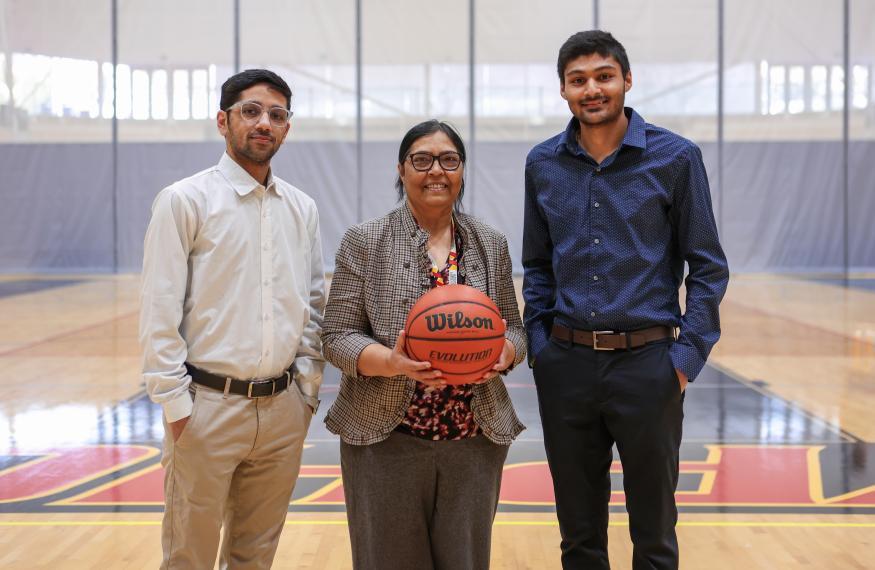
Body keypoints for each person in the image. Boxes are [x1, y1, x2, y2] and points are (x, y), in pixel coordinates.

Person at [522, 31, 729, 570]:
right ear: (563, 90)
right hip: (566, 365)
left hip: (649, 366)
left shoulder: (676, 157)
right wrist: (542, 350)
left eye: (603, 76)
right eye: (578, 80)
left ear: (626, 80)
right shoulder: (543, 163)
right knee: (578, 534)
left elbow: (707, 265)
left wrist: (685, 360)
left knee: (654, 533)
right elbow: (538, 267)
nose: (592, 89)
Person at [139, 68, 325, 569]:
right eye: (251, 111)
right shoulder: (184, 201)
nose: (264, 122)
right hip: (205, 410)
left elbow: (312, 304)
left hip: (282, 408)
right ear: (223, 121)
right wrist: (177, 407)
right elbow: (159, 311)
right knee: (189, 557)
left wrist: (305, 394)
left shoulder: (302, 208)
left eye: (277, 114)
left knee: (255, 556)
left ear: (287, 127)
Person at [322, 119, 526, 570]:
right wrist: (393, 362)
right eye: (422, 159)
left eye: (449, 160)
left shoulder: (490, 243)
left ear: (462, 171)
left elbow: (514, 327)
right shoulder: (365, 241)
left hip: (473, 438)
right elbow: (336, 337)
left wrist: (505, 353)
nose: (437, 170)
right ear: (401, 170)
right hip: (385, 439)